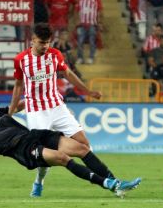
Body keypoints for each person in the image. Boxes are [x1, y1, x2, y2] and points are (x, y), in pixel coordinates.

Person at [0, 92, 141, 199]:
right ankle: (111, 184)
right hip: (23, 151)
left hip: (34, 136)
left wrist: (38, 97)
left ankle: (114, 181)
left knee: (82, 148)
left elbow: (20, 106)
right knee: (63, 158)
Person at [8, 23, 103, 197]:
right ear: (33, 40)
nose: (45, 46)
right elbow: (18, 86)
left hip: (57, 106)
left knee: (85, 144)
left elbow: (69, 74)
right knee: (46, 152)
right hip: (36, 111)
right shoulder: (21, 60)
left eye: (48, 42)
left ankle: (105, 180)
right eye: (42, 42)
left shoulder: (55, 55)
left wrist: (87, 91)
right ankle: (39, 181)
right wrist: (11, 111)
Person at [75, 0, 103, 64]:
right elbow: (76, 12)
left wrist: (100, 23)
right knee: (80, 41)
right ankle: (80, 58)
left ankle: (91, 57)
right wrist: (77, 23)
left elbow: (99, 13)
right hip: (82, 25)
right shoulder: (80, 0)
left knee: (92, 41)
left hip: (92, 25)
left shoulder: (97, 1)